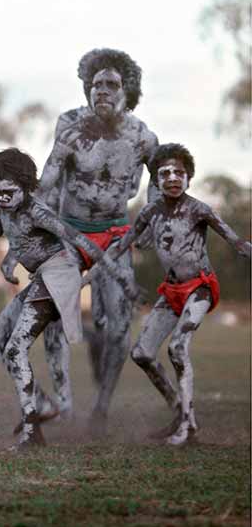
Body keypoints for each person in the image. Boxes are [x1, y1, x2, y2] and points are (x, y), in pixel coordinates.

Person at [0, 149, 130, 448]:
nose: (1, 198)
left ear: (25, 186)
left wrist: (117, 273)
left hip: (57, 278)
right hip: (40, 281)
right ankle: (43, 404)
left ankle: (33, 431)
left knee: (15, 349)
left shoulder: (38, 212)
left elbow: (79, 240)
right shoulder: (4, 208)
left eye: (8, 191)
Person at [35, 48, 159, 435]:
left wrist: (150, 220)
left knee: (118, 327)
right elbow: (48, 183)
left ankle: (102, 406)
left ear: (127, 90)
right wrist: (40, 230)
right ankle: (65, 401)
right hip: (71, 231)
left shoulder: (143, 136)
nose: (101, 90)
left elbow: (162, 176)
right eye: (95, 84)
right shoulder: (69, 124)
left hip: (116, 236)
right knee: (53, 313)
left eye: (111, 84)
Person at [105, 144, 251, 445]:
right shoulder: (150, 211)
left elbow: (236, 242)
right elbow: (123, 245)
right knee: (142, 353)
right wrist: (90, 264)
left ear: (188, 178)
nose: (172, 178)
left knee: (177, 348)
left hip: (199, 288)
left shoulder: (199, 209)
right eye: (165, 173)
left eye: (179, 173)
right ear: (157, 181)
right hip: (171, 291)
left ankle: (188, 425)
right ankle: (177, 406)